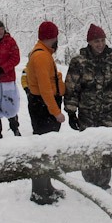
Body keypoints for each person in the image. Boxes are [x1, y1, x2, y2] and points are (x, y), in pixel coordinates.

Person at [64, 24, 112, 189]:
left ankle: (104, 183)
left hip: (108, 111)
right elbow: (71, 88)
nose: (100, 44)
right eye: (96, 41)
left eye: (102, 40)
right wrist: (71, 112)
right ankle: (90, 185)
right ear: (89, 42)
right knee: (88, 148)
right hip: (86, 112)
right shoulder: (79, 61)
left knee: (106, 147)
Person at [24, 21, 67, 205]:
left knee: (46, 149)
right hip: (43, 108)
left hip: (42, 107)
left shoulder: (42, 53)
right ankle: (40, 192)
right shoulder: (41, 56)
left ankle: (46, 187)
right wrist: (56, 112)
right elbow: (45, 89)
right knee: (43, 150)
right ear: (52, 38)